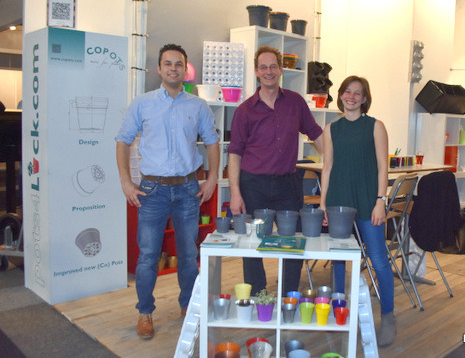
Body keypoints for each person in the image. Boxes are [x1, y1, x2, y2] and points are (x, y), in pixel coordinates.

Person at [116, 44, 219, 340]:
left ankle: (187, 307)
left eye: (179, 64)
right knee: (148, 255)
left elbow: (212, 142)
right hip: (152, 190)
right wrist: (126, 182)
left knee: (188, 253)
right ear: (159, 69)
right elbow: (123, 141)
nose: (173, 68)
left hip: (188, 189)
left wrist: (212, 178)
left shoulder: (198, 106)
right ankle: (145, 312)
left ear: (185, 70)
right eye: (168, 64)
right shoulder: (142, 104)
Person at [228, 45, 323, 295]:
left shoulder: (295, 102)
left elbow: (316, 134)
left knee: (293, 242)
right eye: (263, 67)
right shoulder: (244, 111)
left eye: (273, 66)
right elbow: (235, 154)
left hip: (287, 185)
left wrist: (337, 158)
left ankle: (288, 296)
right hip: (253, 185)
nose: (268, 71)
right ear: (256, 71)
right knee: (252, 243)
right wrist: (235, 193)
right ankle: (258, 295)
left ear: (281, 69)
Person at [320, 75, 397, 346]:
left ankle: (388, 317)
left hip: (368, 201)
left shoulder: (375, 126)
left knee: (378, 260)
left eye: (357, 93)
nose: (351, 97)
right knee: (339, 261)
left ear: (364, 98)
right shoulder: (331, 129)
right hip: (338, 201)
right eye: (347, 92)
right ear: (340, 95)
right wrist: (323, 204)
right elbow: (327, 167)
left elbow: (383, 167)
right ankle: (339, 314)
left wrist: (380, 200)